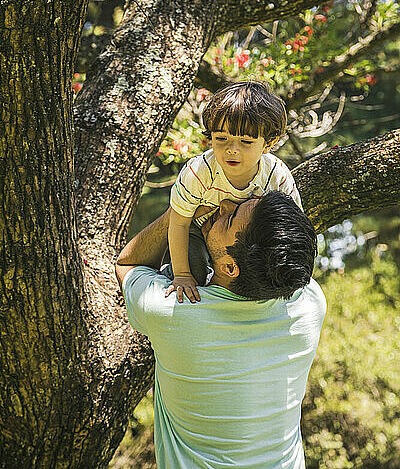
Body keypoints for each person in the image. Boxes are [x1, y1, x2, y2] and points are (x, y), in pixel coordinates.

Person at [115, 191, 326, 469]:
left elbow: (128, 263)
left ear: (230, 266)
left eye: (228, 219)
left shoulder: (176, 311)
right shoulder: (309, 306)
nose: (225, 204)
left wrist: (180, 212)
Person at [167, 81, 302, 302]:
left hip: (246, 246)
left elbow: (292, 226)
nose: (231, 149)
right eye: (221, 139)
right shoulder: (199, 172)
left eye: (246, 141)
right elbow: (179, 223)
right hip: (197, 234)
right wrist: (182, 275)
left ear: (268, 143)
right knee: (194, 273)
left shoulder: (276, 175)